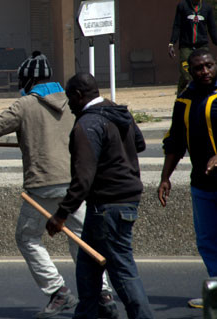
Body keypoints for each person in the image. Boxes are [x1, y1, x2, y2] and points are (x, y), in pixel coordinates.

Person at [0, 52, 116, 319]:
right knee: (83, 242)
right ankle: (104, 293)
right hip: (77, 185)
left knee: (27, 237)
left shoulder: (25, 104)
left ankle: (57, 291)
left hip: (43, 185)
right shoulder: (73, 100)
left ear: (27, 81)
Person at [46, 73, 154, 319]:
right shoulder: (118, 112)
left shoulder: (87, 125)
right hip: (115, 204)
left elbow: (82, 179)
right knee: (87, 269)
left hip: (108, 207)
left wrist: (61, 215)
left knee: (122, 271)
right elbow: (139, 144)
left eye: (70, 99)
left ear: (78, 95)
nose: (69, 106)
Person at [158, 47, 217, 309]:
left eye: (209, 65)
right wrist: (165, 178)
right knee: (207, 240)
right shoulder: (184, 100)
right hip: (201, 184)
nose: (205, 71)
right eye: (198, 68)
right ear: (189, 71)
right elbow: (175, 143)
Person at [168, 0, 217, 95]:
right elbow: (177, 25)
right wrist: (171, 43)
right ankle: (181, 97)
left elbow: (212, 28)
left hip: (202, 47)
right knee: (186, 75)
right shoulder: (183, 6)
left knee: (204, 75)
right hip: (186, 47)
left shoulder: (207, 8)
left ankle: (204, 97)